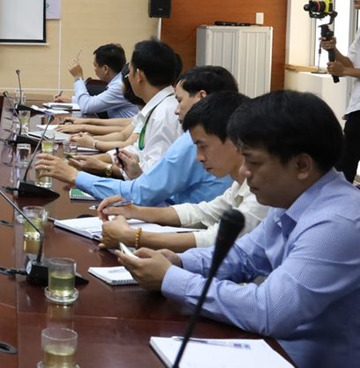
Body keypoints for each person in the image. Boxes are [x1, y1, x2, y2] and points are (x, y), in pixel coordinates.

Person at [117, 91, 360, 368]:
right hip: (270, 350)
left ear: (301, 165)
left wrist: (171, 278)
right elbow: (243, 257)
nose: (243, 172)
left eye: (253, 162)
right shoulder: (292, 198)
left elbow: (270, 311)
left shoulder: (336, 223)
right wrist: (179, 262)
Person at [33, 65, 237, 205]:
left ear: (201, 98)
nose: (176, 110)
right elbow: (160, 188)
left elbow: (144, 192)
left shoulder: (192, 140)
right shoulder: (215, 132)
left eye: (180, 100)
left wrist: (74, 175)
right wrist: (136, 175)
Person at [94, 92, 267, 252]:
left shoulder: (264, 193)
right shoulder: (240, 184)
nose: (198, 157)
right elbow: (202, 213)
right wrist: (135, 211)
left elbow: (215, 239)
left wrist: (133, 237)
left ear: (234, 140)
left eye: (203, 146)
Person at [65, 39, 182, 173]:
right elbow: (134, 151)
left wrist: (104, 167)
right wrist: (91, 160)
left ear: (139, 76)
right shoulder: (156, 107)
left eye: (129, 71)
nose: (125, 79)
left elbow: (153, 175)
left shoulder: (164, 114)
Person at [319, 0, 360, 182]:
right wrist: (333, 49)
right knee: (345, 165)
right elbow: (351, 65)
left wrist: (343, 72)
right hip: (357, 109)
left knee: (344, 167)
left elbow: (347, 70)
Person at [57, 43, 139, 119]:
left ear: (105, 69)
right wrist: (72, 100)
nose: (94, 69)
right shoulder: (119, 81)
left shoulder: (120, 86)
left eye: (95, 66)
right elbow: (94, 102)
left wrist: (78, 77)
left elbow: (86, 106)